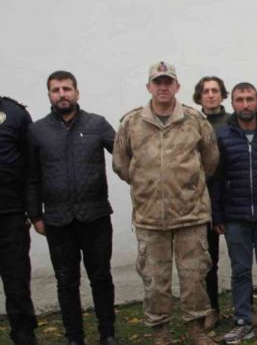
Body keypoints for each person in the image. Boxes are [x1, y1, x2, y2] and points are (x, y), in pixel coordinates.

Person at [112, 62, 219, 345]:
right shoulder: (131, 123)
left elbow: (210, 160)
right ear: (149, 87)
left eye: (167, 82)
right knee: (155, 279)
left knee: (194, 277)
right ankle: (161, 333)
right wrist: (148, 186)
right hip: (149, 217)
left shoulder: (194, 120)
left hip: (190, 214)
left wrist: (187, 186)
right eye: (157, 82)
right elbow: (121, 164)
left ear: (177, 86)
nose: (162, 87)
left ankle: (197, 330)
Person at [26, 71, 119, 345]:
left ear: (77, 92)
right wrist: (35, 215)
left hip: (96, 216)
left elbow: (125, 155)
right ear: (49, 95)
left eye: (66, 89)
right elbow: (31, 177)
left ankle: (108, 334)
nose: (62, 94)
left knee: (101, 277)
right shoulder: (37, 131)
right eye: (56, 90)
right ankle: (74, 338)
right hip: (57, 219)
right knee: (66, 282)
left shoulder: (97, 124)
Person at [213, 82, 257, 344]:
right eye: (240, 99)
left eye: (250, 99)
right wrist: (217, 215)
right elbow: (217, 179)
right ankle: (243, 321)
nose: (245, 104)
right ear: (232, 103)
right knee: (240, 271)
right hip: (235, 217)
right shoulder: (222, 136)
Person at [0, 94, 38, 345]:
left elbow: (32, 166)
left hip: (10, 216)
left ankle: (24, 336)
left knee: (17, 285)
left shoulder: (15, 114)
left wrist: (31, 211)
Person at [192, 76, 230, 329]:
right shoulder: (192, 123)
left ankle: (246, 308)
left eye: (215, 90)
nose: (210, 95)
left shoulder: (233, 122)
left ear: (222, 94)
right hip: (204, 199)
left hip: (233, 197)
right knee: (208, 260)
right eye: (206, 91)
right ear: (199, 96)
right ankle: (211, 309)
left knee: (240, 259)